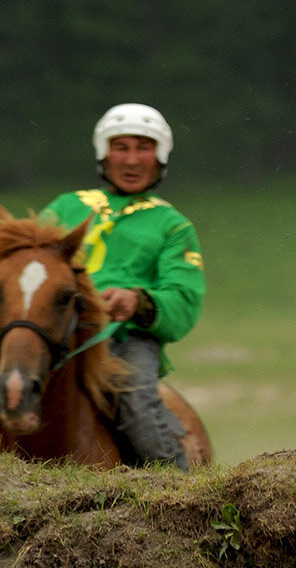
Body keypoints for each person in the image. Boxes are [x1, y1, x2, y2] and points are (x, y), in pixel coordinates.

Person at [41, 103, 205, 470]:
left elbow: (184, 300)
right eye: (121, 147)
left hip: (125, 339)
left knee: (136, 405)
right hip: (58, 333)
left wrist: (138, 301)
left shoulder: (172, 225)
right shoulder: (66, 208)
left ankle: (178, 493)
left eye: (144, 147)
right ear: (105, 153)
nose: (132, 160)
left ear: (160, 156)